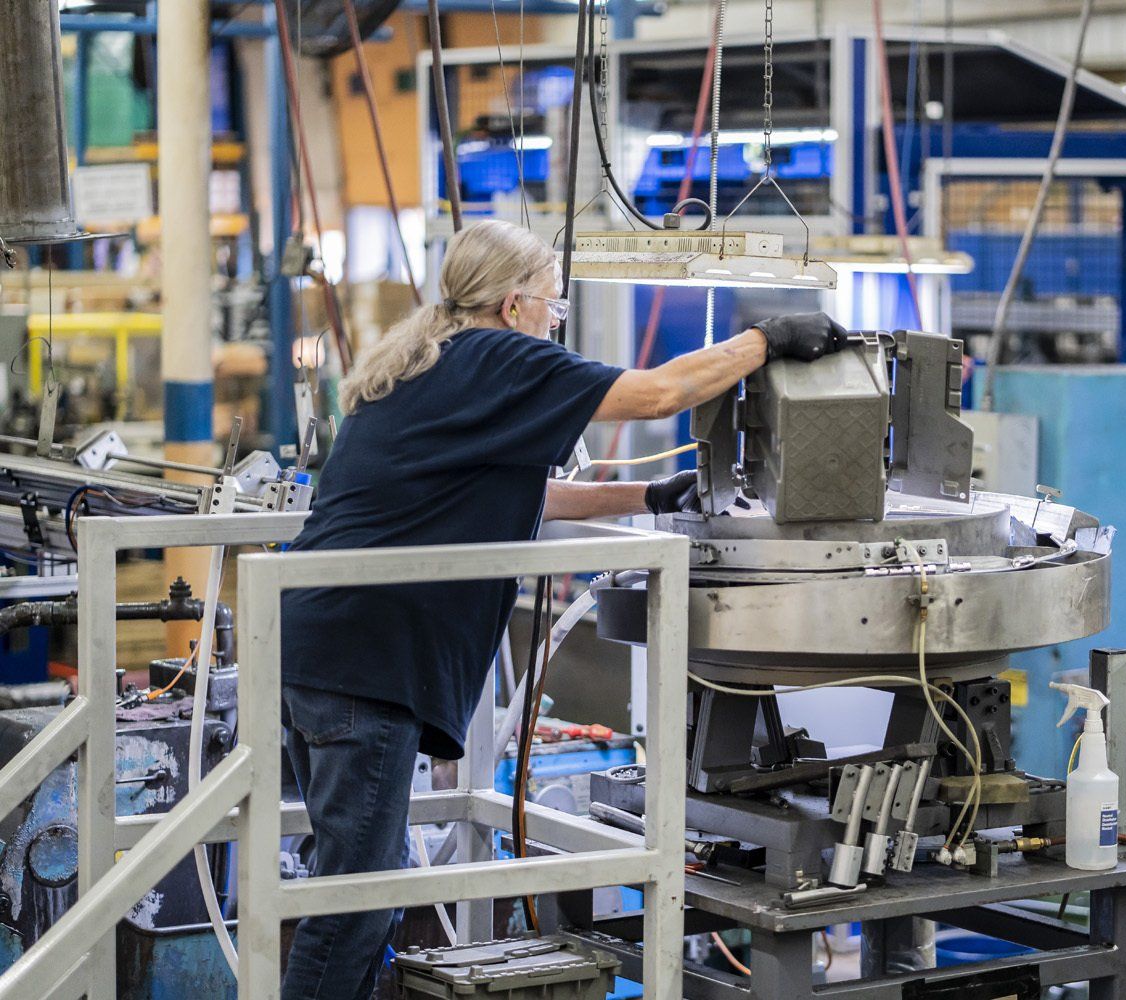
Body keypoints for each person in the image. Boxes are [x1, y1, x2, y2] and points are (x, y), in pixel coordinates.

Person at [277, 218, 847, 999]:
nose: (556, 319)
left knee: (356, 882)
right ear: (513, 306)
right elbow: (662, 391)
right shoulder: (502, 356)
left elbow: (510, 492)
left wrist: (645, 496)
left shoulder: (430, 362)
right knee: (354, 903)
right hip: (367, 661)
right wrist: (765, 341)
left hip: (320, 642)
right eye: (553, 303)